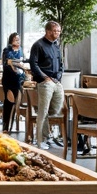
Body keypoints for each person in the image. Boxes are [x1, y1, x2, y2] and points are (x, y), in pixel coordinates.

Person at [29, 20, 65, 149]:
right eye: (55, 31)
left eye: (59, 31)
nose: (58, 33)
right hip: (45, 83)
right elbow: (33, 64)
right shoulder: (38, 45)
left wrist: (59, 76)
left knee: (55, 109)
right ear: (48, 31)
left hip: (56, 81)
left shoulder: (56, 45)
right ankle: (40, 140)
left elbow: (61, 63)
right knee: (43, 112)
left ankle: (46, 134)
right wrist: (44, 77)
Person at [1, 32, 29, 132]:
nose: (18, 41)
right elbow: (8, 63)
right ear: (11, 40)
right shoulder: (7, 50)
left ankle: (11, 127)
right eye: (15, 39)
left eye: (19, 39)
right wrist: (17, 64)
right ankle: (5, 127)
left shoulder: (21, 50)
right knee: (9, 102)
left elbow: (24, 61)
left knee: (16, 103)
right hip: (8, 79)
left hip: (19, 80)